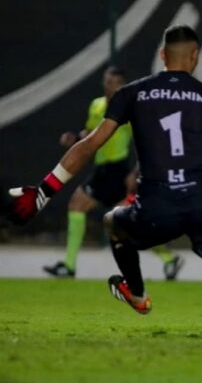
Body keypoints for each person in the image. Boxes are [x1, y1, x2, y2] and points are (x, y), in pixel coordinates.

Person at [7, 24, 202, 339]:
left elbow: (89, 144)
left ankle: (137, 293)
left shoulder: (132, 93)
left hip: (157, 205)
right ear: (195, 56)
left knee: (112, 221)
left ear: (162, 55)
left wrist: (44, 191)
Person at [42, 66, 184, 280]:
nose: (110, 86)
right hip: (103, 170)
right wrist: (76, 139)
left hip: (116, 170)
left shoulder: (130, 109)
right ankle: (169, 259)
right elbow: (91, 133)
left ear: (122, 85)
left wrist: (136, 172)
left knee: (78, 206)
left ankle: (69, 266)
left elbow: (146, 142)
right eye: (108, 82)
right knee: (126, 224)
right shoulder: (97, 105)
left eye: (115, 83)